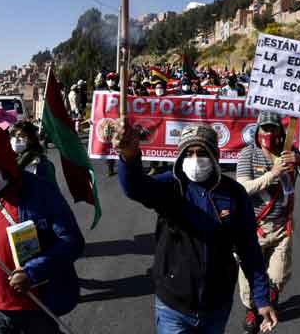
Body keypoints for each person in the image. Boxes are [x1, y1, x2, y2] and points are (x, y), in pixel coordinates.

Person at [112, 121, 278, 334]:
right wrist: (128, 156)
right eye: (188, 153)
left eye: (202, 152)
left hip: (216, 306)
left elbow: (249, 249)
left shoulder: (235, 194)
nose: (195, 159)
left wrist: (262, 298)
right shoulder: (169, 187)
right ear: (180, 157)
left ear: (214, 156)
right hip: (173, 306)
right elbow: (135, 187)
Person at [0, 125, 84, 334]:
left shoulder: (40, 192)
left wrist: (32, 272)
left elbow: (72, 241)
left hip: (33, 308)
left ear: (6, 164)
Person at [236, 112, 300, 333]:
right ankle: (251, 310)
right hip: (254, 227)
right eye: (264, 129)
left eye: (273, 129)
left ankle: (268, 299)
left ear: (281, 132)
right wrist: (272, 174)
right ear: (257, 132)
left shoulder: (290, 153)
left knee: (279, 276)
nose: (269, 133)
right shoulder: (248, 154)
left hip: (283, 227)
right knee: (249, 275)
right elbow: (243, 189)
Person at [9, 121, 57, 185]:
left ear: (31, 138)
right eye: (13, 136)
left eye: (20, 135)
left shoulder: (39, 164)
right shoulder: (18, 159)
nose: (15, 140)